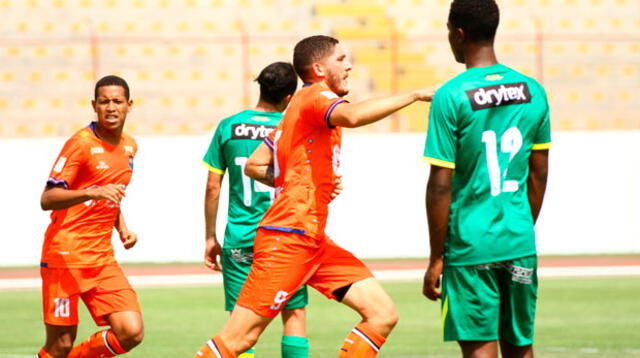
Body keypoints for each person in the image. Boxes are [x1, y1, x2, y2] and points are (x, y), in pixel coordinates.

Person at [193, 35, 432, 358]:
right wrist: (415, 94)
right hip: (287, 238)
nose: (349, 66)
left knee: (382, 314)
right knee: (239, 339)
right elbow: (353, 116)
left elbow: (254, 165)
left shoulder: (295, 112)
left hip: (313, 239)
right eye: (342, 59)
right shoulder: (316, 95)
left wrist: (304, 182)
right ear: (319, 68)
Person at [421, 1, 551, 357]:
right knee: (521, 347)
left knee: (480, 349)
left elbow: (439, 185)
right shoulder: (533, 90)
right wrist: (521, 225)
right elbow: (539, 174)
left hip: (470, 245)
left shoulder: (450, 95)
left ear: (458, 34)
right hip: (518, 240)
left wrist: (436, 257)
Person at [202, 62, 311, 358]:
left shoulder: (228, 126)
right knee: (295, 314)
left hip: (241, 236)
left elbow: (213, 187)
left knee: (239, 325)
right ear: (289, 98)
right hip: (284, 236)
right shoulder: (292, 128)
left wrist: (210, 237)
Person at [36, 75, 144, 358]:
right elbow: (47, 199)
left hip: (101, 259)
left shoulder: (130, 146)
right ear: (94, 106)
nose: (111, 107)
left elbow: (111, 192)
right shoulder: (81, 144)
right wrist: (92, 192)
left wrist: (122, 227)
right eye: (104, 102)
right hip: (65, 258)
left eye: (117, 101)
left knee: (131, 331)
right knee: (59, 345)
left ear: (129, 105)